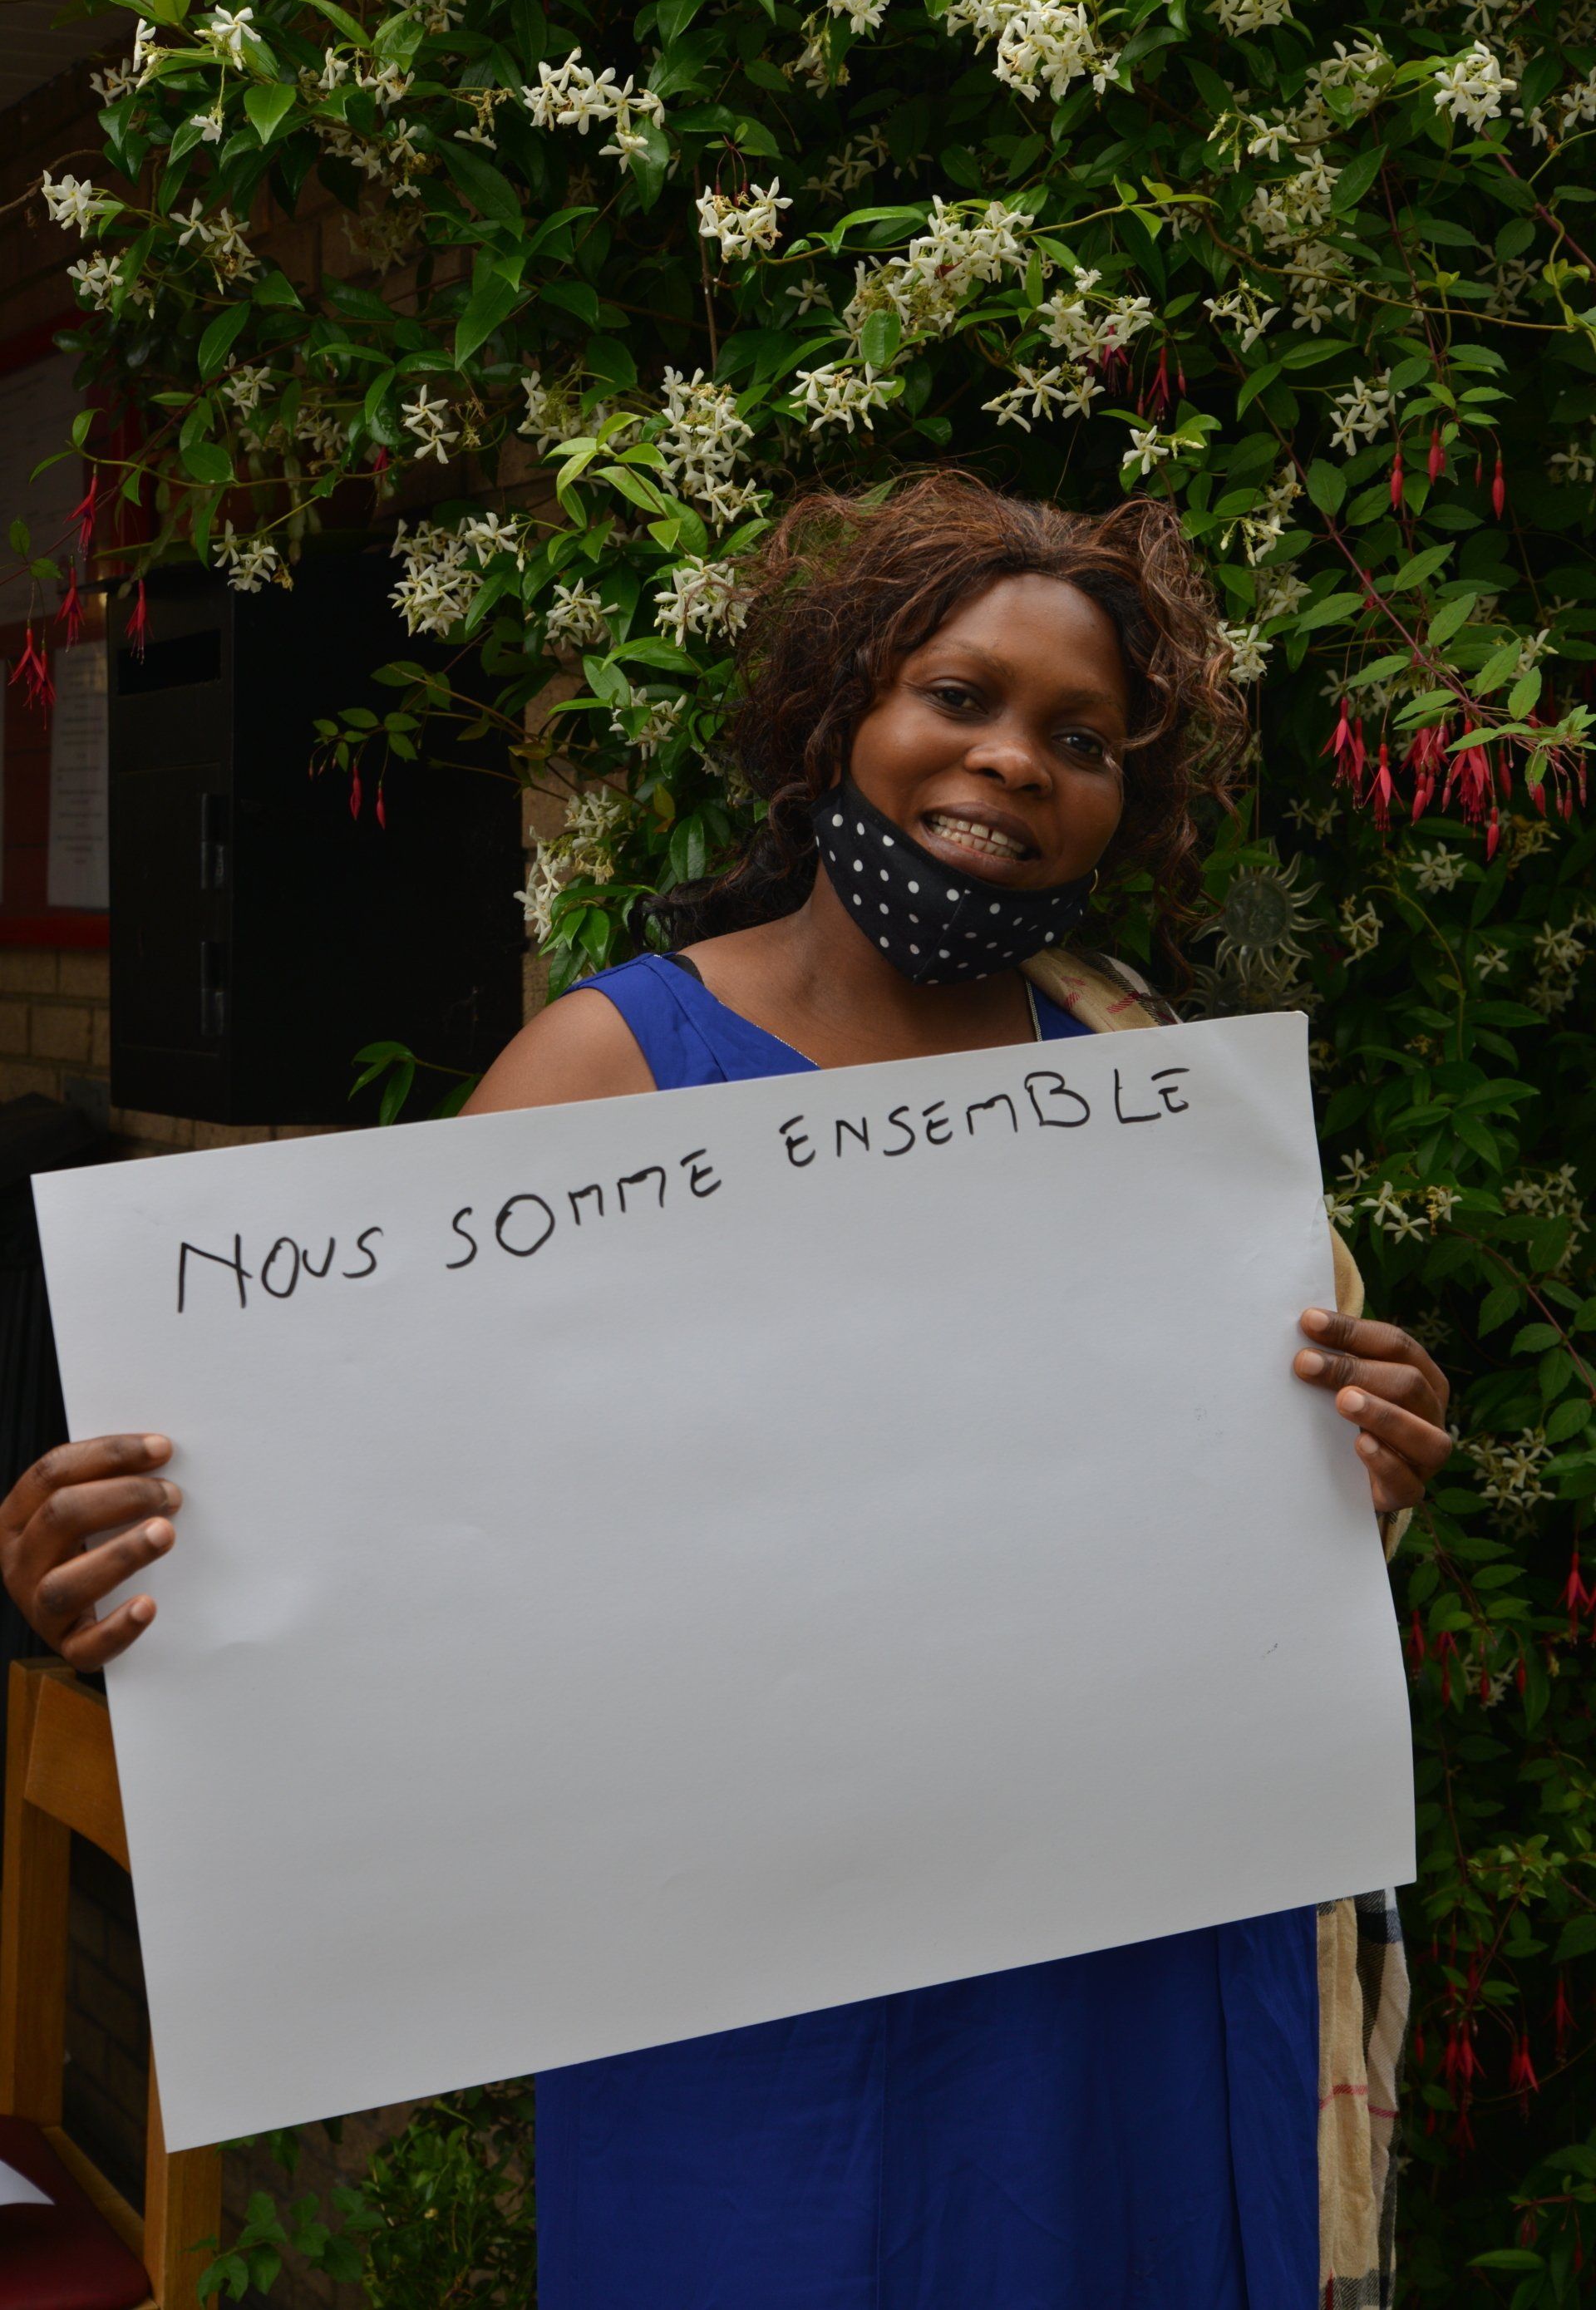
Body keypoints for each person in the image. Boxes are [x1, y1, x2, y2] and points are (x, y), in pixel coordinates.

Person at [1, 476, 1451, 2308]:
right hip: (750, 2002)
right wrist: (109, 1585)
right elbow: (372, 1523)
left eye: (1082, 739)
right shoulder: (608, 1071)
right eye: (959, 696)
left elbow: (1234, 1521)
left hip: (1123, 1963)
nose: (1015, 759)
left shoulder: (1155, 1095)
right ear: (839, 714)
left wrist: (1359, 1449)